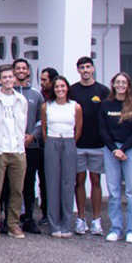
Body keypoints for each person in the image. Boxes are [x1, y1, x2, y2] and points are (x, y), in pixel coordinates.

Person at [99, 72, 132, 243]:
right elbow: (102, 130)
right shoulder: (106, 105)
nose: (120, 85)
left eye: (123, 82)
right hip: (111, 150)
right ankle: (116, 228)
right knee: (114, 192)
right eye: (117, 82)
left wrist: (124, 149)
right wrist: (114, 149)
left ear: (128, 85)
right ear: (113, 85)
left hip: (130, 150)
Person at [0, 65, 29, 239]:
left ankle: (13, 224)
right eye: (4, 77)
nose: (8, 80)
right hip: (0, 150)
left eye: (10, 77)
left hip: (18, 151)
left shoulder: (21, 100)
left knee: (17, 190)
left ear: (14, 79)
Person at [70, 56, 110, 236]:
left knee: (95, 180)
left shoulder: (102, 91)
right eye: (82, 67)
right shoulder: (72, 91)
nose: (85, 70)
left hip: (97, 145)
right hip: (78, 144)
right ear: (78, 70)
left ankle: (96, 220)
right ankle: (80, 219)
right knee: (79, 181)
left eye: (88, 67)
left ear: (93, 68)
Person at [41, 76, 82, 238]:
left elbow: (78, 129)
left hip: (69, 143)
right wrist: (50, 143)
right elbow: (43, 129)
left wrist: (70, 143)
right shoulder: (46, 106)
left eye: (63, 86)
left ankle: (66, 225)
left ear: (67, 88)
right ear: (53, 89)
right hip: (52, 142)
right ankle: (54, 226)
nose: (60, 89)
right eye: (57, 87)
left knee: (67, 183)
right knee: (52, 183)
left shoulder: (75, 107)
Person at [13, 58, 45, 234]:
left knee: (29, 182)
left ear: (28, 72)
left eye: (23, 68)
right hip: (11, 146)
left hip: (30, 146)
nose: (20, 71)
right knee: (11, 184)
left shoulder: (36, 94)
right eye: (17, 68)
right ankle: (12, 217)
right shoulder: (7, 94)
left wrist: (33, 135)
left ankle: (29, 217)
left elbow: (42, 119)